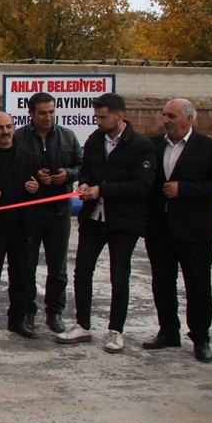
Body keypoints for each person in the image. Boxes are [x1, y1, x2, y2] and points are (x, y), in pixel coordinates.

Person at [56, 93, 155, 353]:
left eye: (103, 116)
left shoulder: (141, 145)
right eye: (96, 116)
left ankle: (115, 330)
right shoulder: (94, 140)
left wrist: (102, 190)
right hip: (93, 219)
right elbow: (86, 169)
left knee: (119, 277)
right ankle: (83, 325)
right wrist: (85, 183)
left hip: (124, 222)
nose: (97, 121)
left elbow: (142, 185)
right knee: (82, 271)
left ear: (119, 115)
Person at [142, 99, 212, 363]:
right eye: (164, 115)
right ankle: (168, 332)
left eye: (172, 115)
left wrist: (183, 190)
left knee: (197, 287)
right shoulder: (153, 145)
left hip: (195, 231)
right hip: (159, 229)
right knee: (162, 284)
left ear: (189, 119)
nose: (166, 120)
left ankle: (200, 338)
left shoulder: (210, 147)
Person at [12, 92, 82, 333]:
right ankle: (28, 312)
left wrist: (68, 174)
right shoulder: (19, 137)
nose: (48, 116)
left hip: (59, 212)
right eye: (42, 112)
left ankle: (54, 312)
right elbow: (11, 167)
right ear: (31, 114)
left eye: (51, 111)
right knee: (27, 265)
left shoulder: (67, 136)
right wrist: (31, 176)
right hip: (30, 212)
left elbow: (81, 164)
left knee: (58, 267)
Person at [0, 112, 41, 339]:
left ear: (14, 128)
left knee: (21, 275)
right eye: (0, 128)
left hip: (22, 227)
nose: (5, 132)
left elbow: (37, 188)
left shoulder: (29, 158)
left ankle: (17, 319)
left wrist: (35, 189)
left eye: (9, 127)